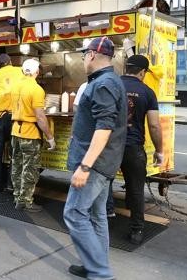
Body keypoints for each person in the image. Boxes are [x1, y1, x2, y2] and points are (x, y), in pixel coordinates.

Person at [64, 37, 127, 280]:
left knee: (74, 213)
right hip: (105, 162)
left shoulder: (103, 84)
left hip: (95, 165)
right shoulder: (111, 80)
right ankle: (94, 264)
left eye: (83, 56)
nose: (83, 60)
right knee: (96, 215)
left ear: (91, 55)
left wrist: (85, 165)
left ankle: (100, 272)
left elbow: (104, 128)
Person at [108, 54, 163, 245]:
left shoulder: (111, 85)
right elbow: (154, 126)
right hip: (133, 147)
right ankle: (136, 230)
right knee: (136, 189)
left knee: (104, 184)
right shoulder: (147, 92)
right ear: (142, 72)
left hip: (109, 144)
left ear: (125, 68)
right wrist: (159, 150)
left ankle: (103, 222)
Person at [9, 58, 56, 212]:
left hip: (15, 131)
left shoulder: (15, 86)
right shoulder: (36, 90)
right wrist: (50, 137)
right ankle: (26, 201)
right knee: (30, 169)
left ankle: (17, 197)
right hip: (30, 133)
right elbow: (40, 118)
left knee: (17, 166)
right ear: (37, 71)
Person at [0, 53, 24, 193]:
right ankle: (12, 185)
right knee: (15, 151)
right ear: (10, 62)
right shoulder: (19, 70)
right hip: (15, 116)